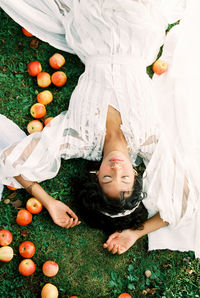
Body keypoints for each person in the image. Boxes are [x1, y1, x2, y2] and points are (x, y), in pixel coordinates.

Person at [1, 0, 199, 258]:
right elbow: (187, 202)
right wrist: (136, 232)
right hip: (138, 31)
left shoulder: (77, 138)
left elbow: (9, 160)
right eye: (125, 178)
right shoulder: (150, 142)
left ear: (95, 174)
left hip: (91, 28)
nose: (116, 169)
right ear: (137, 175)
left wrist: (49, 202)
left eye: (107, 178)